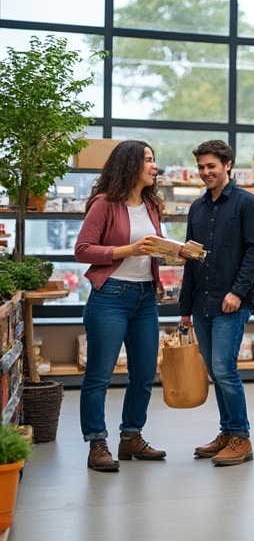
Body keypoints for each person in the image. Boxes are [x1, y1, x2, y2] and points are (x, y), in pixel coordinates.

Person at [73, 140, 167, 472]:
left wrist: (173, 253)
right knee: (99, 376)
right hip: (110, 297)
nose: (154, 166)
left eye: (154, 160)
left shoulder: (152, 205)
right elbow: (82, 249)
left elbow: (150, 249)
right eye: (148, 160)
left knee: (144, 374)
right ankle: (97, 442)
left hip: (145, 299)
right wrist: (127, 250)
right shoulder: (104, 204)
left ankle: (131, 436)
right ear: (130, 165)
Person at [180, 140, 254, 467]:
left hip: (231, 302)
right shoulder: (197, 208)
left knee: (224, 369)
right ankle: (227, 432)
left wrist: (238, 291)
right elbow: (191, 258)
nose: (205, 173)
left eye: (211, 166)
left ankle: (241, 438)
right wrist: (185, 309)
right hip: (202, 303)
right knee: (217, 372)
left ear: (227, 164)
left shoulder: (247, 204)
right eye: (201, 167)